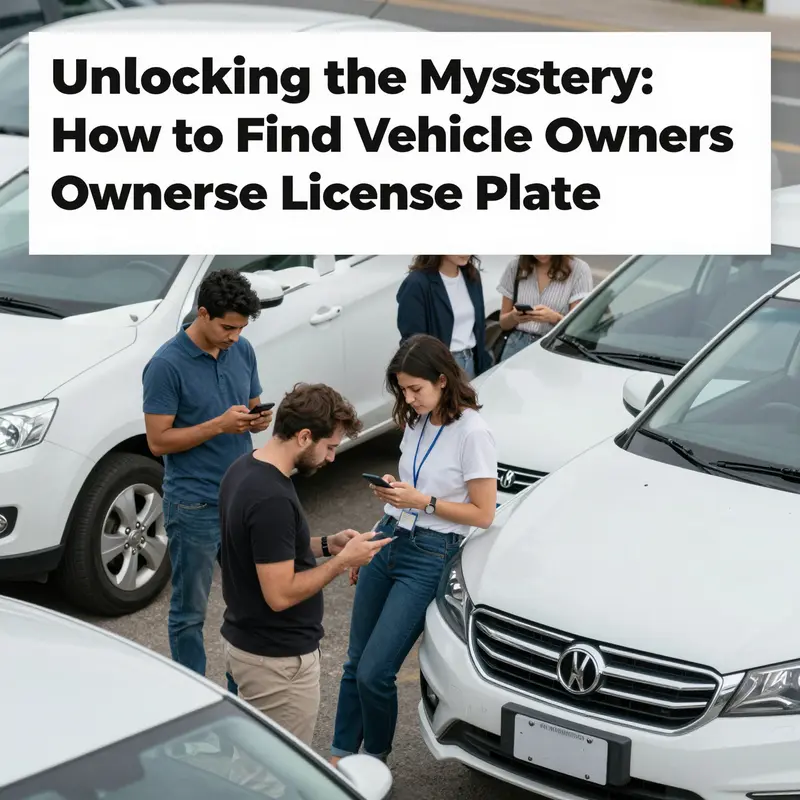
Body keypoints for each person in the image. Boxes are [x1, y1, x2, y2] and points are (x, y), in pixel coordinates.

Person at [330, 334, 497, 766]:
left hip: (430, 553)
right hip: (388, 535)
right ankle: (340, 756)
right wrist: (370, 536)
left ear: (442, 380)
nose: (408, 397)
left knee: (375, 671)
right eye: (402, 389)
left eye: (415, 389)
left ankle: (376, 759)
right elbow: (409, 489)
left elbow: (483, 513)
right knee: (353, 663)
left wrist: (423, 501)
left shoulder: (473, 432)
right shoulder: (417, 421)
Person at [218, 382, 391, 746]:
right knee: (273, 781)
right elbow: (280, 594)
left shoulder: (243, 470)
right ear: (304, 436)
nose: (331, 458)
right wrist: (344, 561)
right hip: (276, 666)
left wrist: (327, 546)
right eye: (329, 447)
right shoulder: (271, 499)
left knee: (251, 765)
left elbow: (265, 550)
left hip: (247, 647)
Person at [142, 268, 273, 677]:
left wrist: (256, 422)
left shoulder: (243, 349)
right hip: (194, 503)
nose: (234, 336)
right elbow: (158, 441)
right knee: (189, 612)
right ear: (202, 313)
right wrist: (218, 425)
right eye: (227, 327)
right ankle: (193, 694)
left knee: (250, 602)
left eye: (240, 328)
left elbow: (251, 403)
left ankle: (240, 693)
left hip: (241, 496)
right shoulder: (165, 366)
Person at [396, 255, 493, 380]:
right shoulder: (417, 283)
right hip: (441, 368)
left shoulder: (471, 275)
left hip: (471, 361)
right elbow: (411, 340)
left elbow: (478, 327)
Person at [496, 255, 593, 361]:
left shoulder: (579, 270)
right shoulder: (515, 266)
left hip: (554, 347)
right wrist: (513, 317)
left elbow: (578, 329)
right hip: (515, 347)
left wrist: (555, 318)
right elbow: (503, 323)